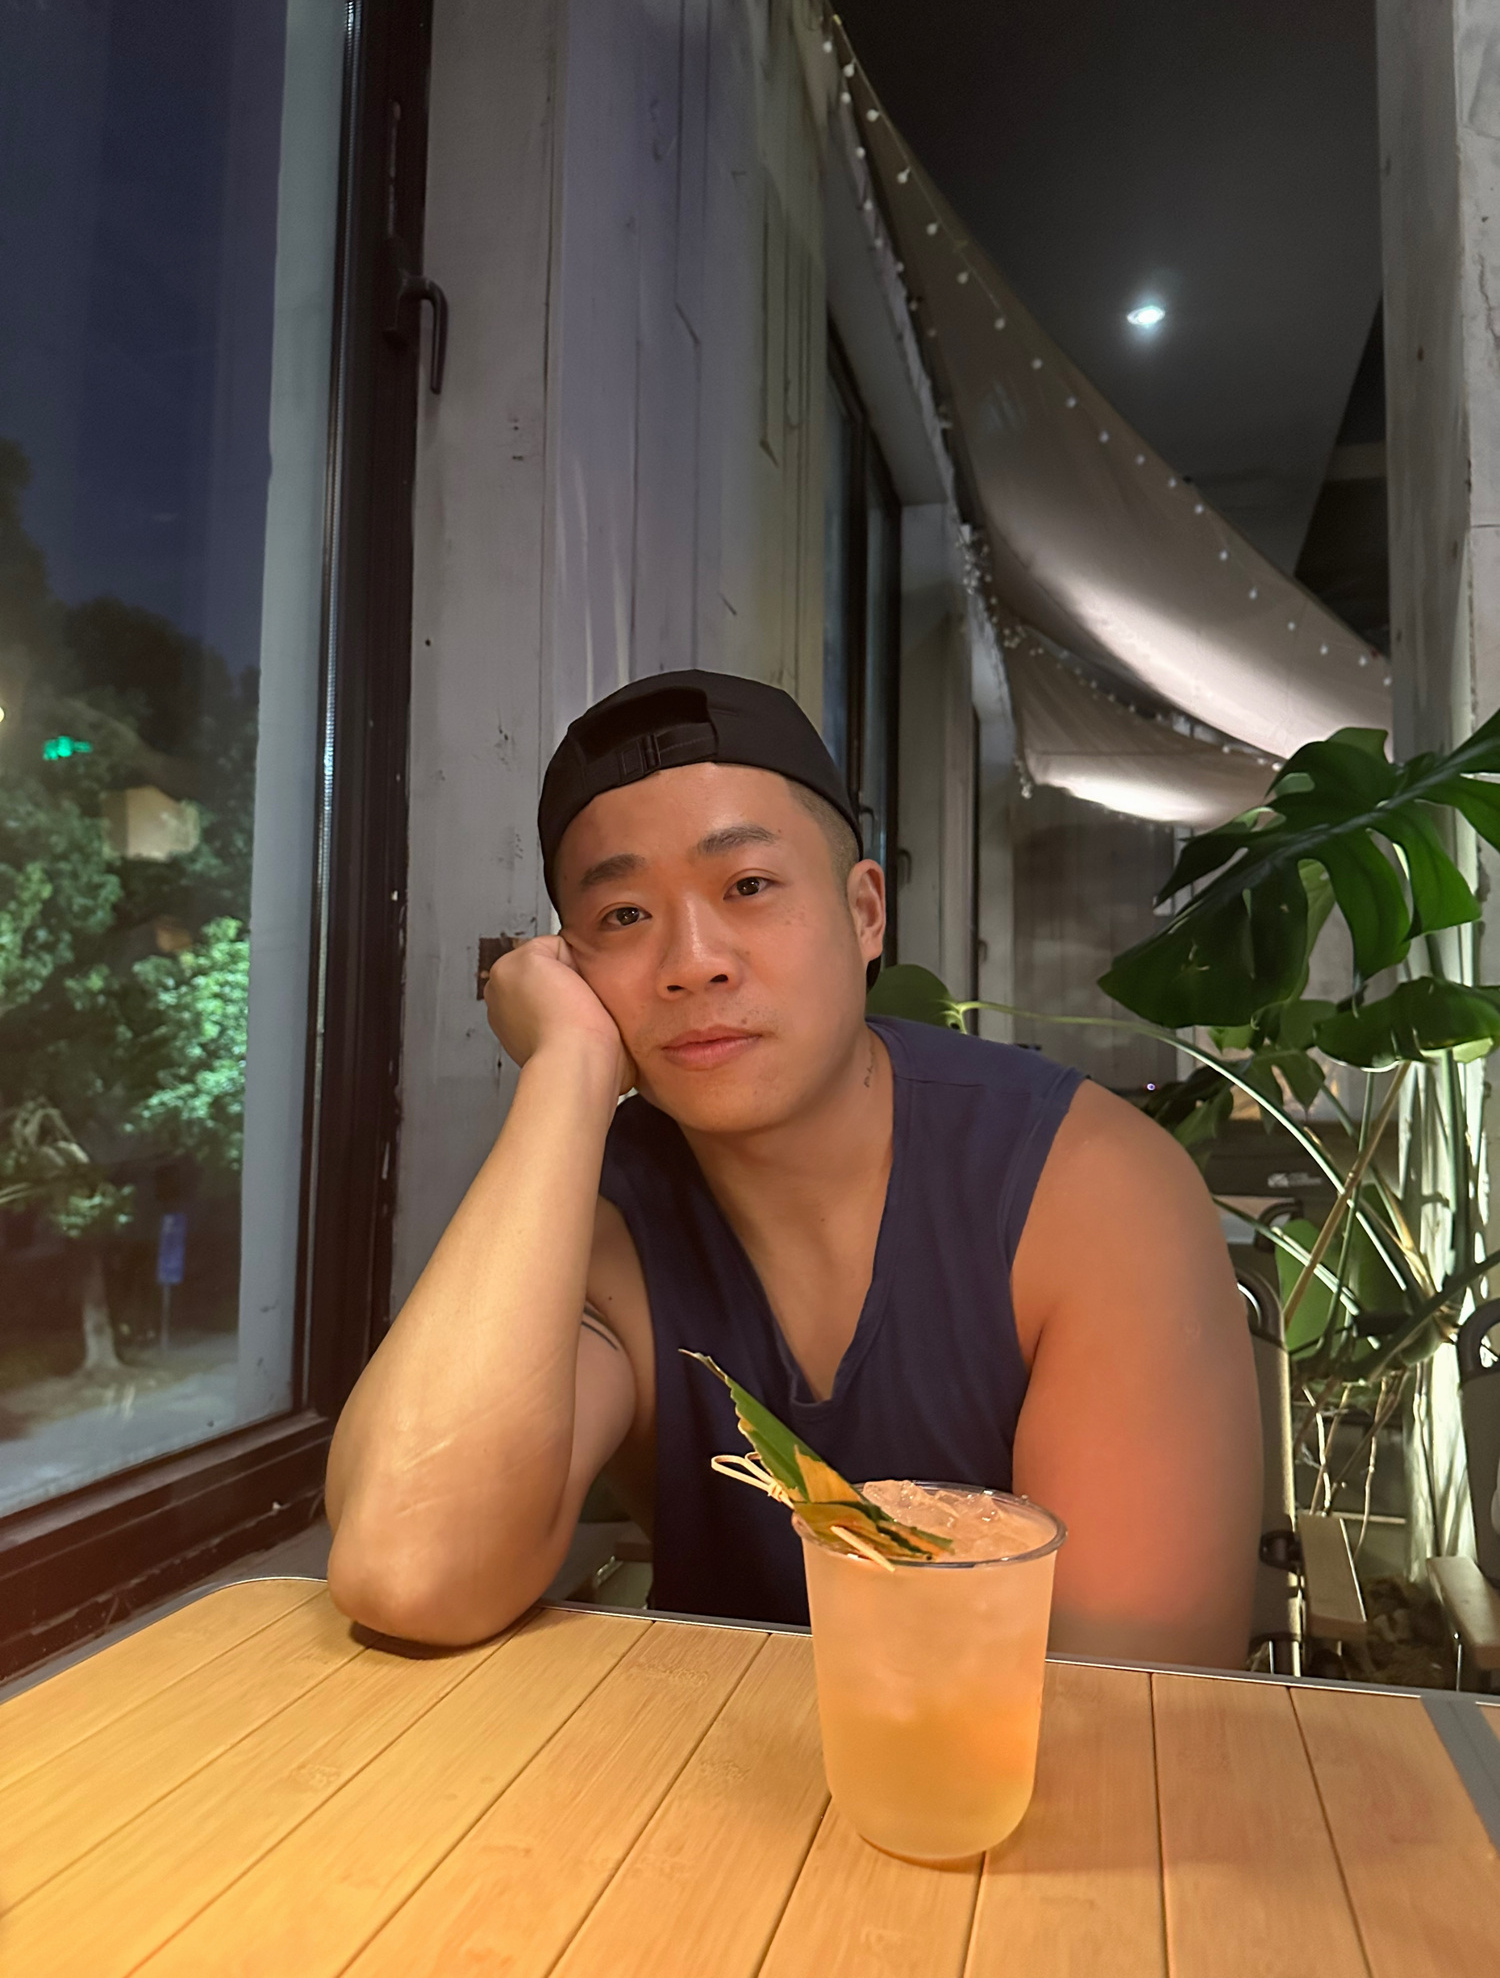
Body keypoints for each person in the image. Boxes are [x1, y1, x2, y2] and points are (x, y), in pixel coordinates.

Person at [326, 670, 1261, 1666]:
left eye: (748, 886)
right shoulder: (604, 1221)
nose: (693, 961)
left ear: (865, 913)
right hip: (702, 1752)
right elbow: (413, 1570)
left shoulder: (1085, 1189)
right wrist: (567, 1071)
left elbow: (1132, 1699)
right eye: (624, 917)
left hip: (992, 1761)